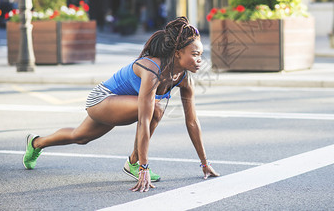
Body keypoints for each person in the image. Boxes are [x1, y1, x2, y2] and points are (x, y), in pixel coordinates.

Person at [22, 16, 220, 192]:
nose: (199, 60)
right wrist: (143, 167)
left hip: (121, 105)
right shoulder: (152, 70)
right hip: (101, 99)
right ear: (177, 53)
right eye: (195, 54)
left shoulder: (184, 79)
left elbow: (192, 121)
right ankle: (134, 163)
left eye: (201, 54)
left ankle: (36, 143)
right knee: (155, 110)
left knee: (80, 137)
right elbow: (144, 119)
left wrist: (204, 163)